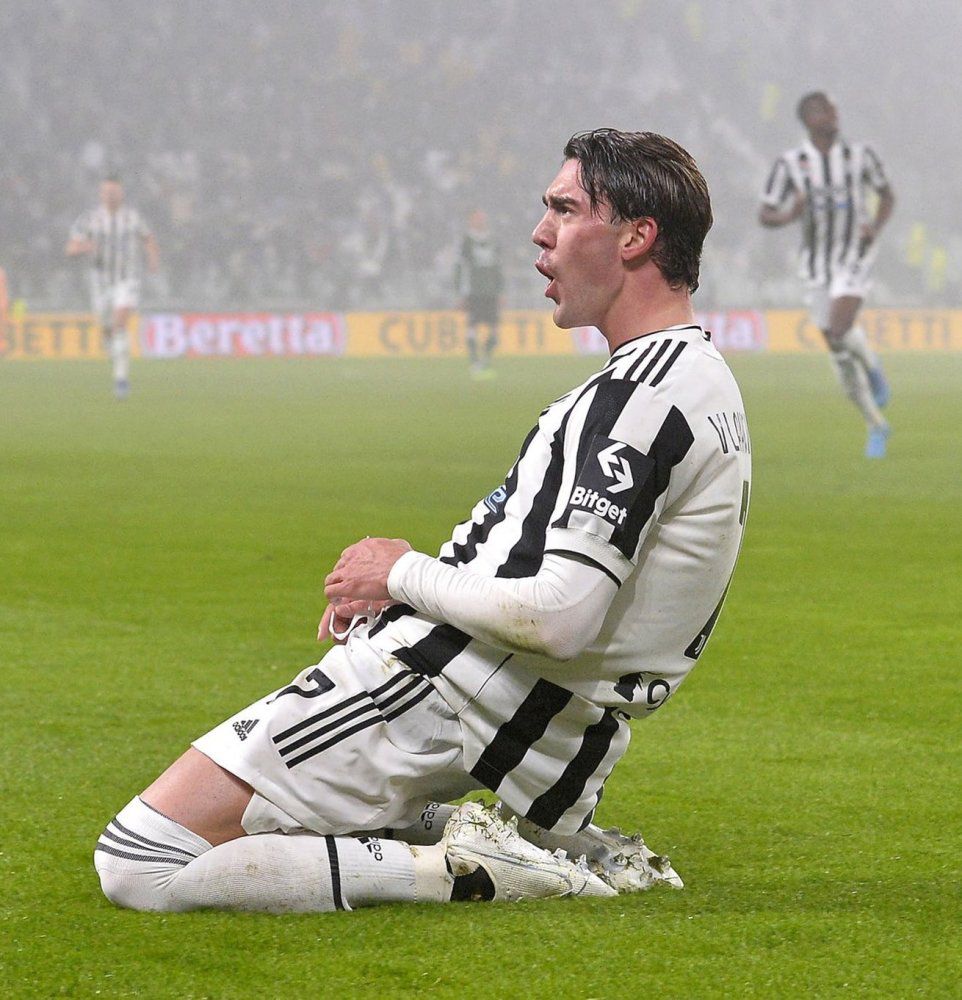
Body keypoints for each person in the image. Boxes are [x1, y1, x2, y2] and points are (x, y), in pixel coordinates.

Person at [94, 129, 752, 914]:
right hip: (526, 718)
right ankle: (487, 832)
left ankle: (476, 869)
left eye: (566, 210)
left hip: (440, 694)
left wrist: (397, 572)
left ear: (637, 236)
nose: (540, 233)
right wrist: (399, 597)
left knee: (140, 859)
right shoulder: (698, 380)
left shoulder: (638, 398)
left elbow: (560, 617)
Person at [759, 91, 895, 458]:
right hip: (816, 266)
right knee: (839, 352)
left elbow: (887, 195)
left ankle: (874, 368)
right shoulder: (791, 164)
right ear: (808, 118)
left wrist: (874, 229)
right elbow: (766, 213)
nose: (833, 115)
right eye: (824, 110)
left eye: (834, 108)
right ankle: (877, 424)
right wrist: (789, 214)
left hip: (855, 254)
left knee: (838, 328)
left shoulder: (860, 155)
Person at [66, 175, 159, 399]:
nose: (111, 195)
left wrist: (153, 259)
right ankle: (113, 348)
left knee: (120, 323)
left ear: (122, 193)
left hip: (127, 278)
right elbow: (70, 248)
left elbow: (148, 238)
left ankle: (121, 379)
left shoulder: (133, 218)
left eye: (115, 191)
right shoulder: (90, 219)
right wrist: (83, 247)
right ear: (101, 194)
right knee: (107, 327)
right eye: (107, 192)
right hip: (100, 282)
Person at [456, 209, 503, 378]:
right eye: (476, 219)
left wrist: (500, 291)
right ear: (471, 221)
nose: (480, 221)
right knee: (472, 326)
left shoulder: (493, 241)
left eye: (482, 218)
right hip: (474, 292)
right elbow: (461, 268)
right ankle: (475, 362)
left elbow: (498, 268)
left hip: (490, 291)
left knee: (494, 329)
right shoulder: (467, 242)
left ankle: (485, 361)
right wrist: (460, 293)